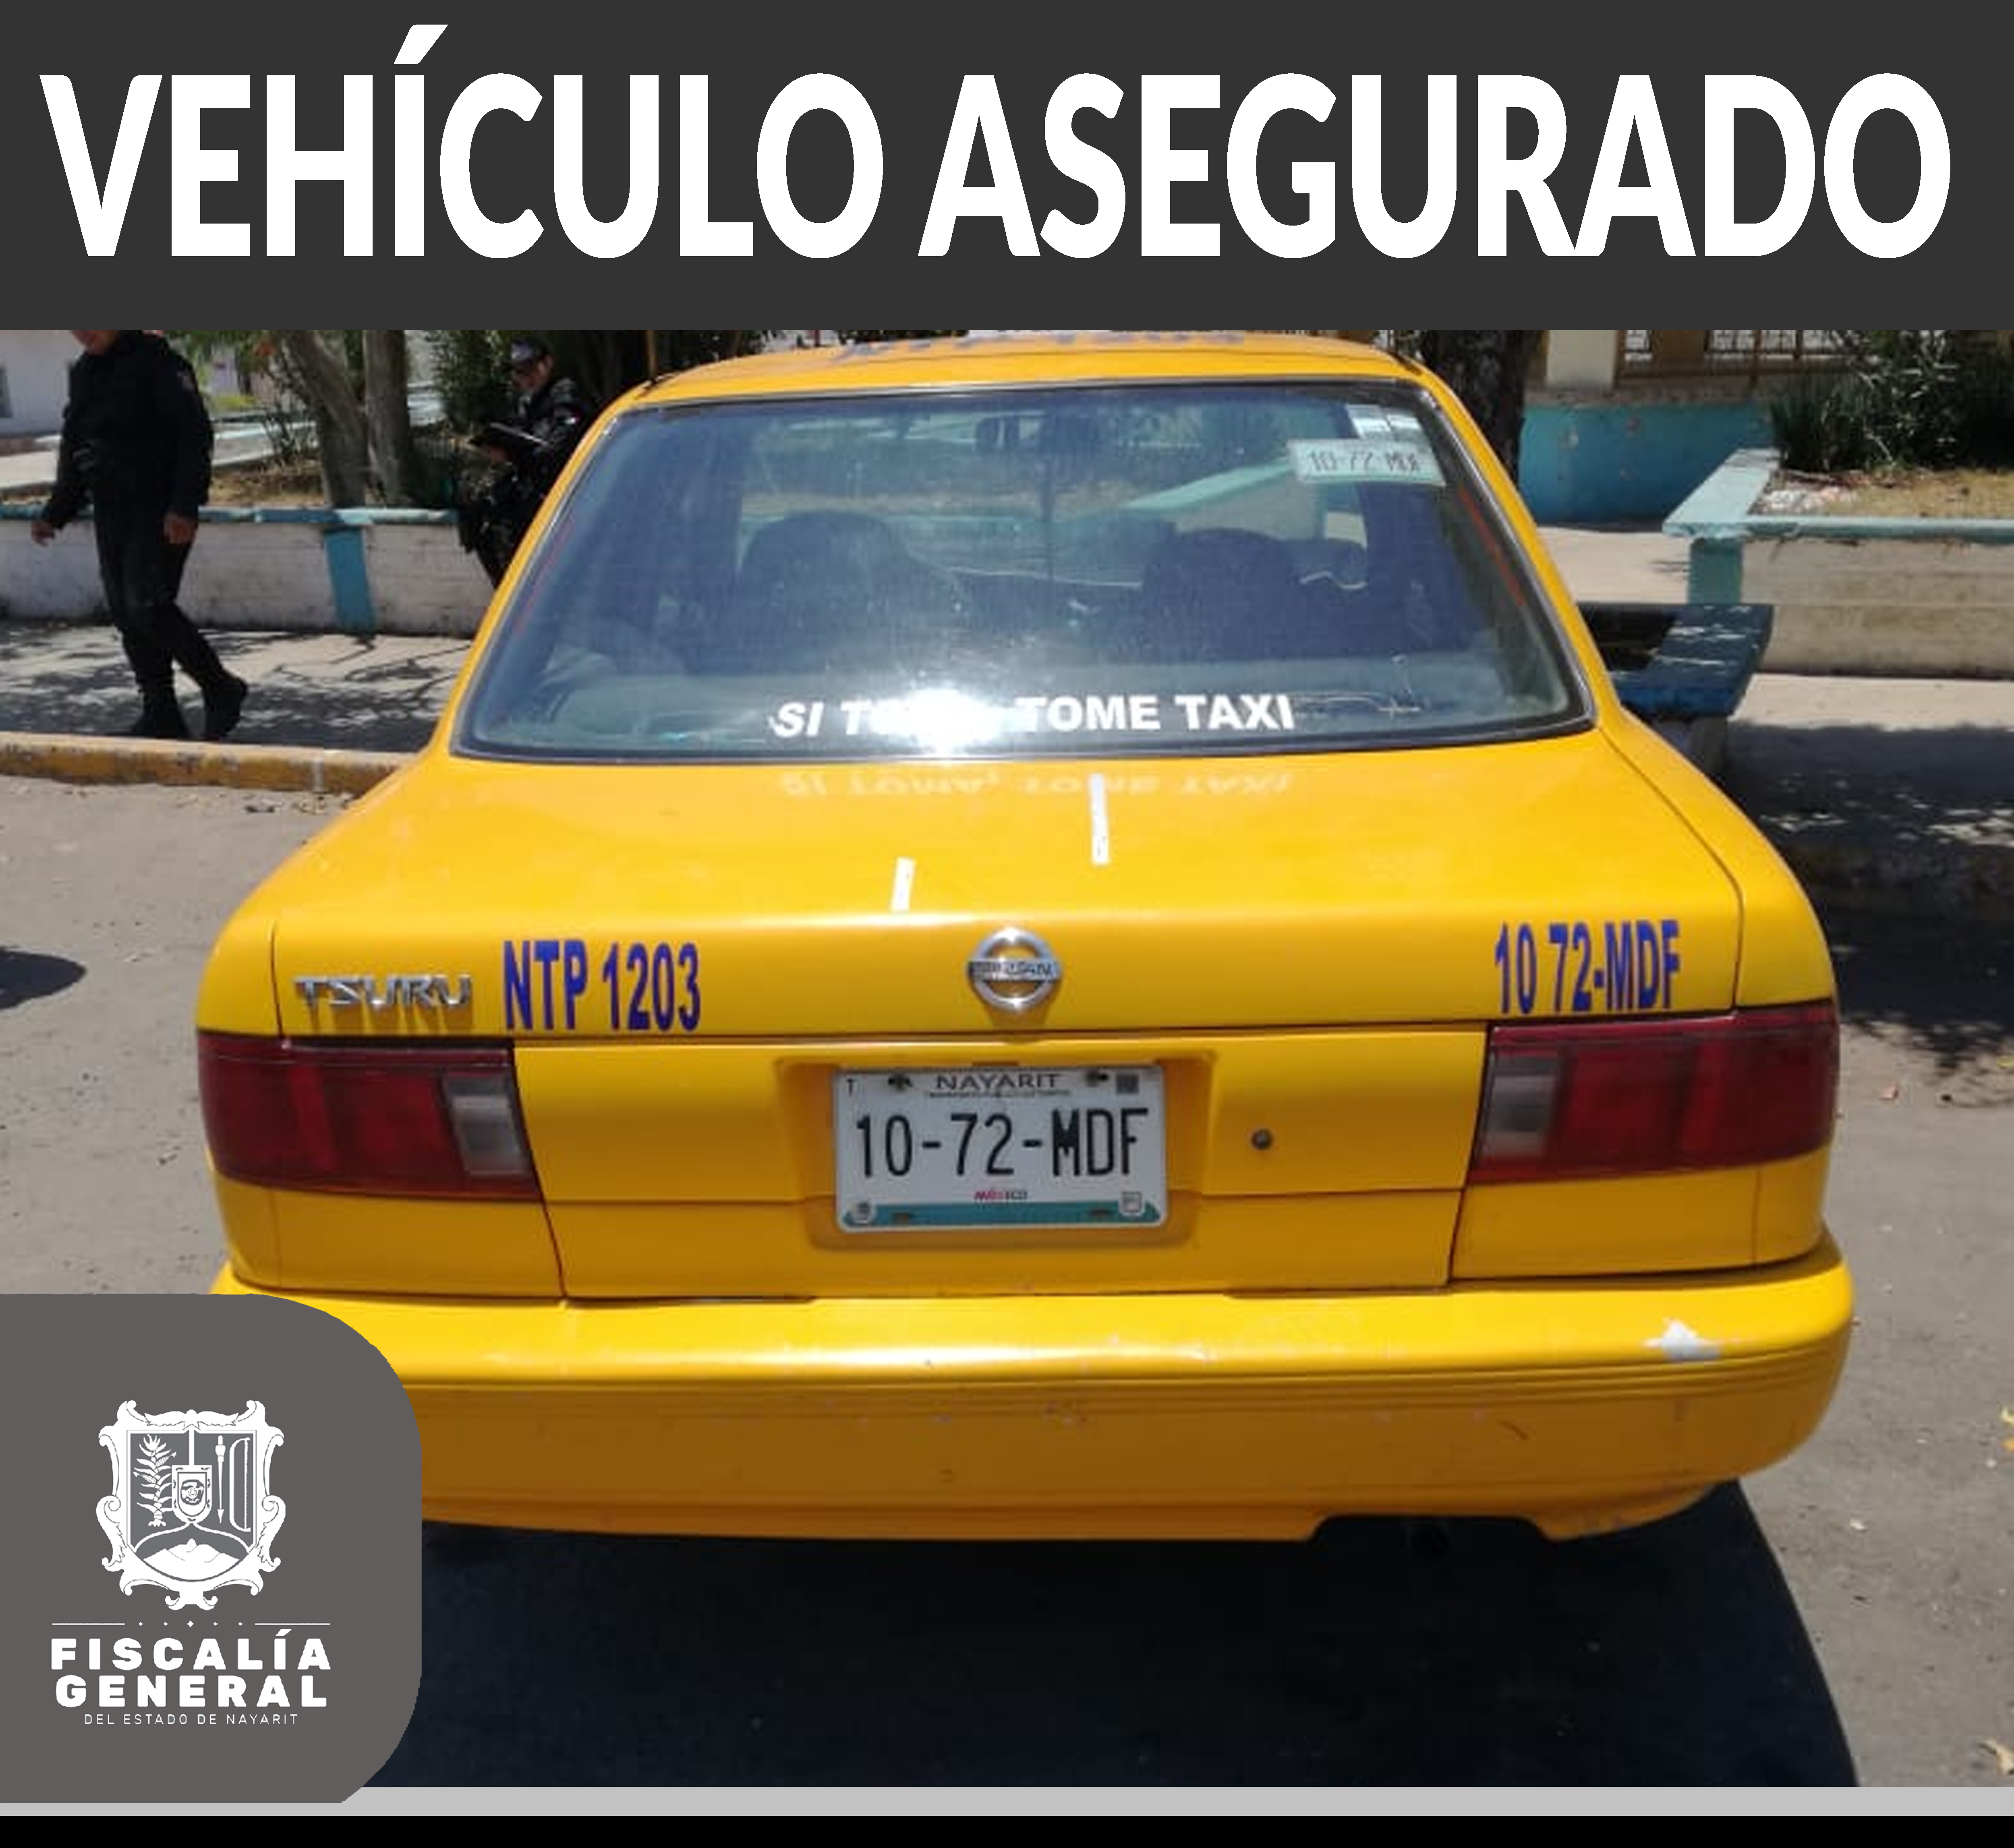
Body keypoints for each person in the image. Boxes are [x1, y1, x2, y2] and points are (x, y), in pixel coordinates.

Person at [30, 330, 249, 742]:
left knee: (148, 605)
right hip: (112, 509)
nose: (82, 330)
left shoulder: (158, 362)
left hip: (159, 508)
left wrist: (185, 505)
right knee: (127, 614)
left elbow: (194, 436)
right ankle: (160, 712)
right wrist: (56, 512)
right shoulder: (85, 372)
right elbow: (76, 444)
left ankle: (221, 687)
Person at [456, 337, 597, 587]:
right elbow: (521, 437)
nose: (526, 378)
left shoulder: (565, 395)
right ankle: (506, 590)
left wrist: (512, 455)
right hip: (532, 480)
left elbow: (559, 448)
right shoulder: (528, 401)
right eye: (519, 372)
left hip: (564, 487)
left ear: (548, 363)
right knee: (477, 515)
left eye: (531, 369)